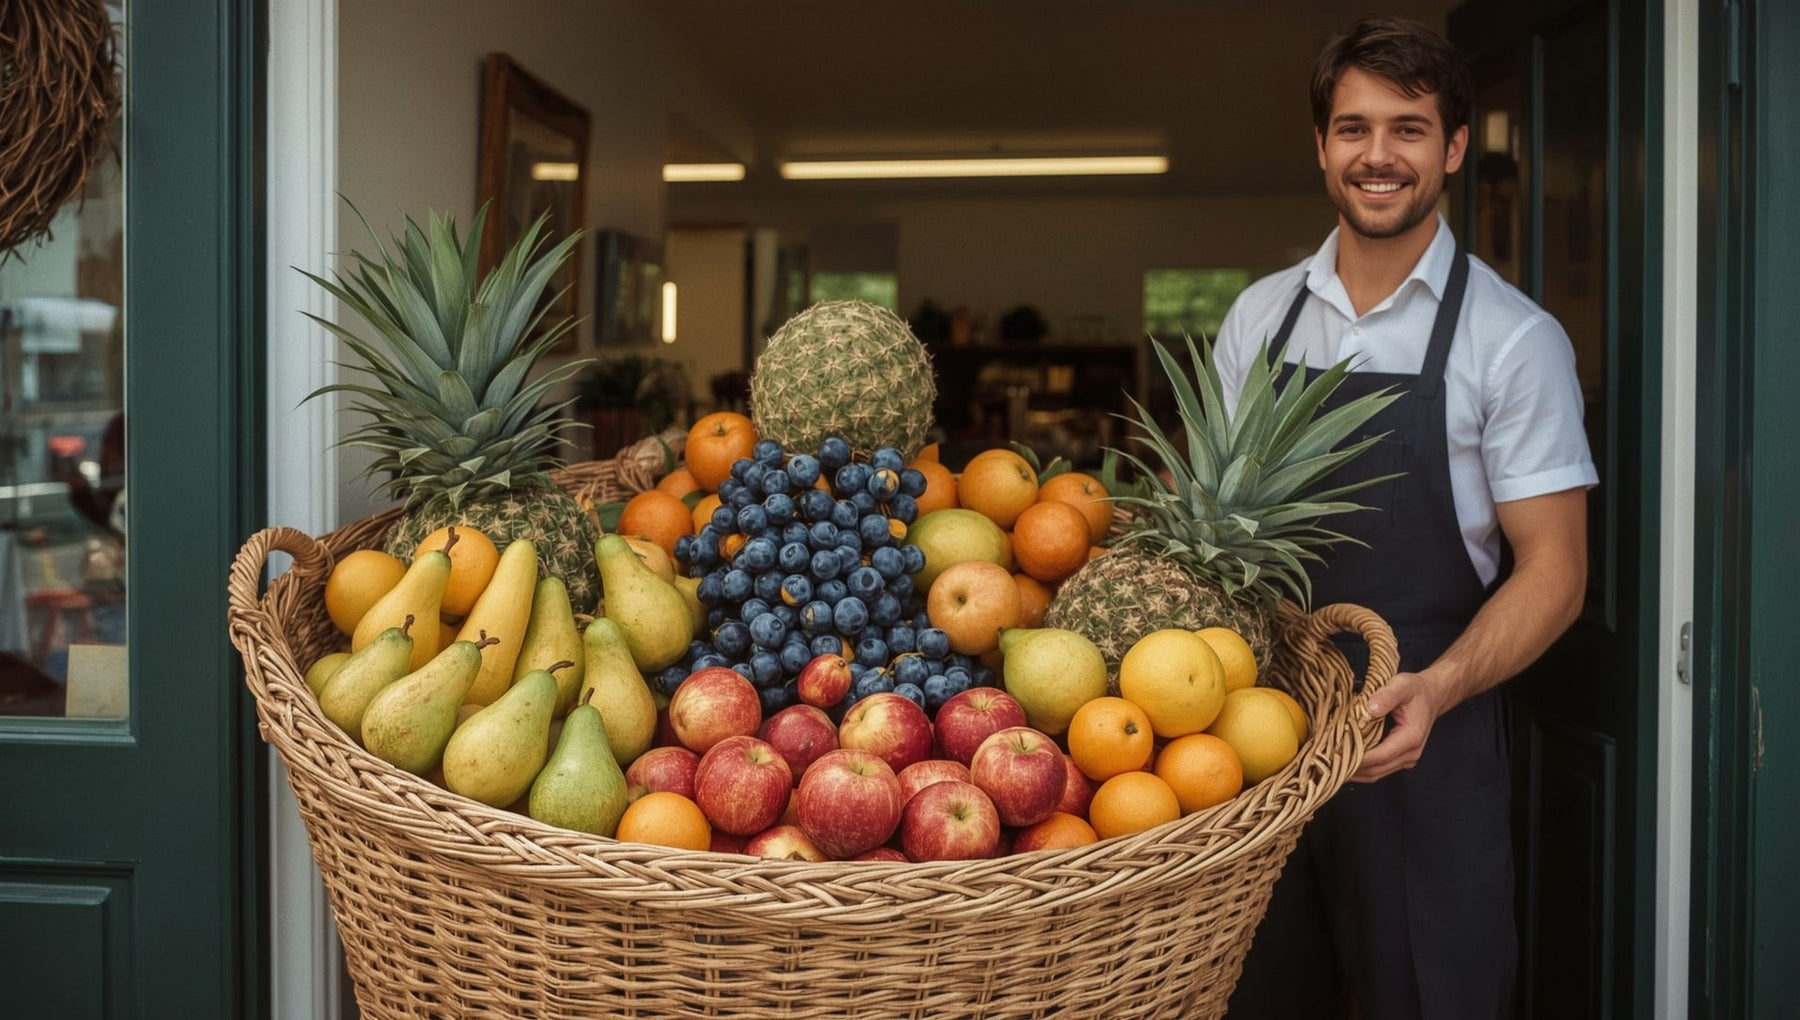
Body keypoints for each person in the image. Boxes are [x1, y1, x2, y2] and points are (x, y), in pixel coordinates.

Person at [1218, 18, 1596, 1019]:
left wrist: (1440, 686)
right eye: (1353, 128)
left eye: (1409, 129)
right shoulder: (1259, 318)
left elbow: (1555, 571)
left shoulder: (1513, 342)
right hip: (1259, 733)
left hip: (1427, 732)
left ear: (1454, 147)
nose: (1378, 155)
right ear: (1321, 145)